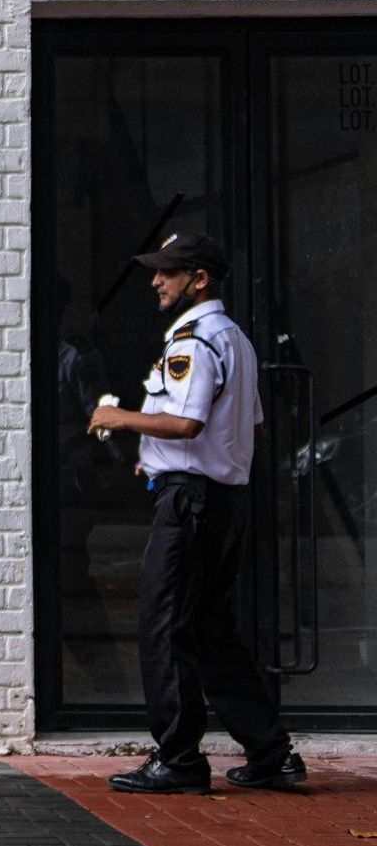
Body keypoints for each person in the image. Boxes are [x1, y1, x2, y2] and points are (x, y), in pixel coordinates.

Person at [86, 232, 306, 794]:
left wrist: (121, 419)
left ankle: (180, 759)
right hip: (221, 501)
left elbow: (187, 424)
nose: (156, 280)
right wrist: (159, 458)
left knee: (162, 625)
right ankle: (271, 752)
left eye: (168, 272)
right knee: (209, 629)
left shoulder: (193, 340)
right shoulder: (235, 339)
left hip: (191, 504)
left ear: (199, 278)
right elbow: (246, 424)